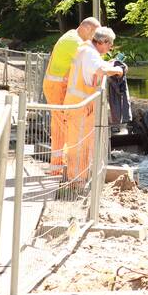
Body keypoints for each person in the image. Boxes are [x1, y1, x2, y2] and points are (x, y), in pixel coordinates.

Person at [62, 26, 124, 185]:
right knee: (79, 145)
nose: (110, 47)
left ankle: (78, 178)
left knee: (81, 143)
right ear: (102, 41)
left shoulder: (87, 50)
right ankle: (77, 181)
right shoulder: (89, 53)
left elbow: (96, 67)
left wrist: (108, 65)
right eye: (110, 44)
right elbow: (99, 69)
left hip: (80, 105)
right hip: (80, 106)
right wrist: (116, 70)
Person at [42, 17, 100, 174]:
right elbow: (91, 59)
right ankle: (69, 165)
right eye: (95, 34)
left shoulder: (71, 36)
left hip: (56, 86)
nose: (96, 39)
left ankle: (58, 165)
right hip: (57, 87)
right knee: (65, 124)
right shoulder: (76, 43)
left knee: (60, 125)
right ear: (87, 29)